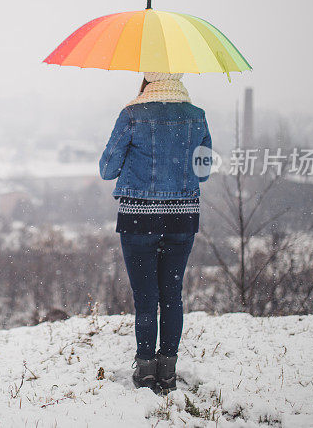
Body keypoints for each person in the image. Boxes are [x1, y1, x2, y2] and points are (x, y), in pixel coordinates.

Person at [98, 71, 212, 395]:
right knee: (172, 295)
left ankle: (146, 371)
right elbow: (203, 172)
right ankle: (168, 371)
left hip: (138, 219)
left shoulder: (132, 114)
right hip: (181, 218)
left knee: (146, 299)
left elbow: (107, 169)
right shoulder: (197, 116)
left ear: (148, 76)